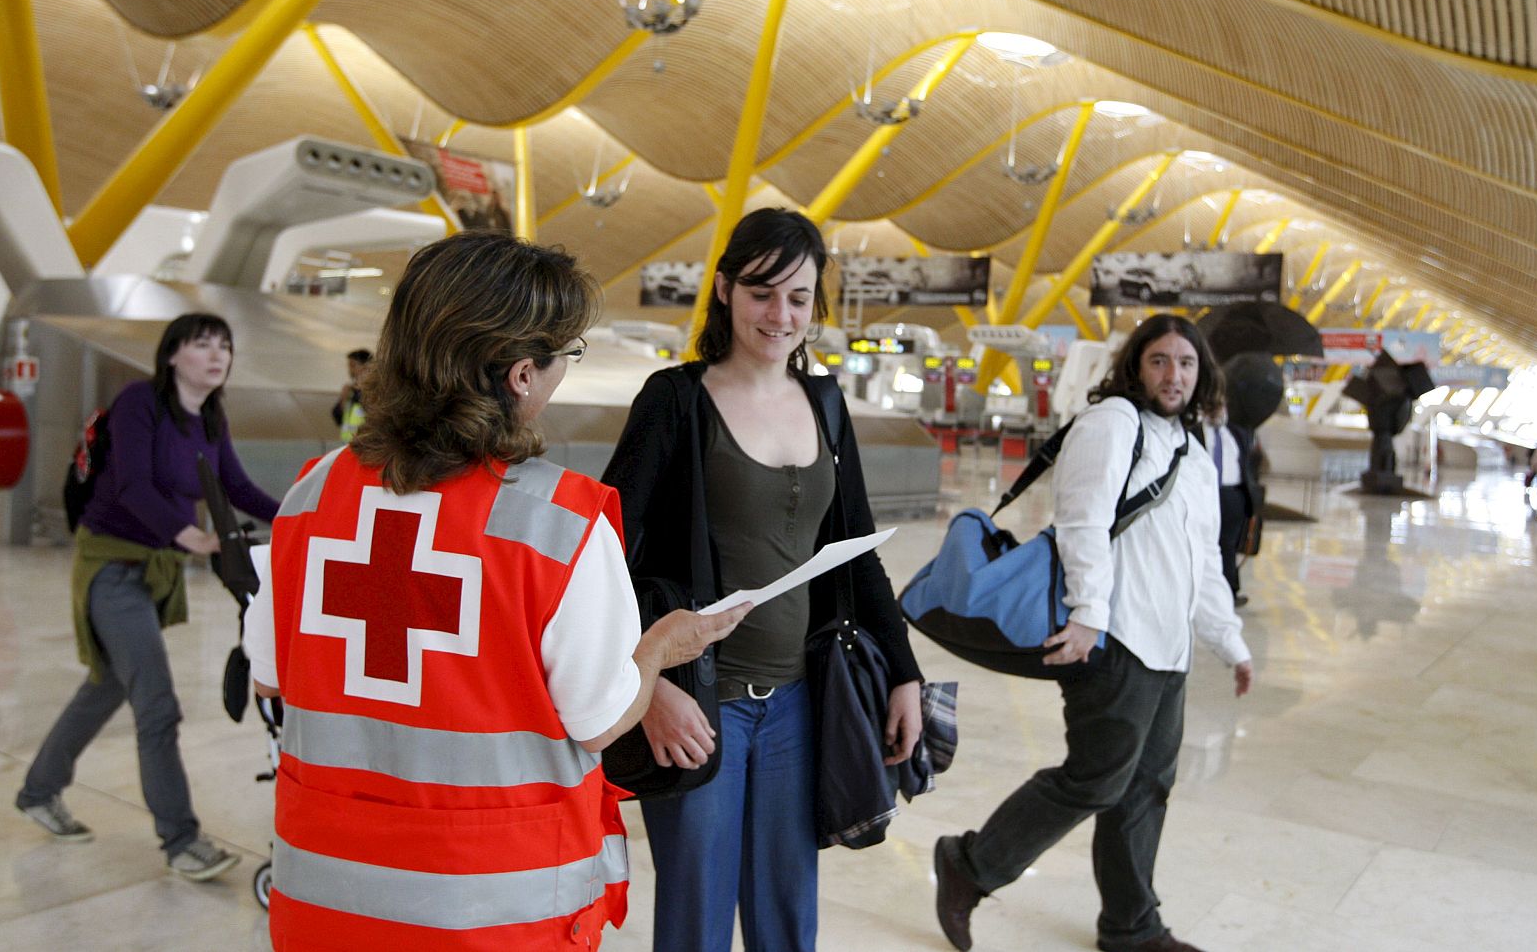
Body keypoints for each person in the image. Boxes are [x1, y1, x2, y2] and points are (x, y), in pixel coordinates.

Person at [247, 231, 747, 950]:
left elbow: (269, 675)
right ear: (520, 374)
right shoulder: (558, 522)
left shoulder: (309, 494)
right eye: (565, 355)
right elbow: (601, 719)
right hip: (496, 915)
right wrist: (662, 645)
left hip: (327, 899)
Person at [603, 207, 924, 952]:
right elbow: (606, 555)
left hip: (797, 703)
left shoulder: (827, 405)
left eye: (799, 297)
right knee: (696, 919)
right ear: (723, 290)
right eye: (761, 292)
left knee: (787, 915)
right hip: (698, 703)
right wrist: (648, 686)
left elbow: (856, 551)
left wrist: (903, 671)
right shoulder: (676, 401)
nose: (780, 314)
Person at [933, 314, 1253, 952]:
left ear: (1201, 374)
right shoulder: (1112, 423)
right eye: (1160, 360)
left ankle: (1131, 926)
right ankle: (970, 865)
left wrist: (1231, 642)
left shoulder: (1194, 450)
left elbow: (1205, 560)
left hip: (1169, 649)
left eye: (1186, 364)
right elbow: (1079, 523)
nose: (1174, 375)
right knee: (1097, 778)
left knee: (1145, 787)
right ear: (1136, 365)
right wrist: (1088, 616)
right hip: (1116, 640)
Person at [16, 313, 279, 881]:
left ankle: (38, 790)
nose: (217, 355)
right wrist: (194, 538)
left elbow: (236, 487)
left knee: (108, 684)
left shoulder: (209, 419)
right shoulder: (141, 403)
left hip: (154, 572)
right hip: (110, 566)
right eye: (202, 344)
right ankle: (181, 840)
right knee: (156, 703)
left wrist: (307, 517)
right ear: (171, 356)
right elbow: (132, 484)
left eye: (225, 346)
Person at [1205, 407, 1262, 607]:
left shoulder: (1237, 433)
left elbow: (1250, 463)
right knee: (1211, 544)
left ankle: (1229, 591)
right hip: (1208, 493)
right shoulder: (1196, 432)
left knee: (1229, 545)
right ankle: (1214, 592)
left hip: (1234, 496)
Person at [330, 347, 371, 443]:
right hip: (348, 444)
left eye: (353, 365)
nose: (350, 370)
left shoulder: (374, 391)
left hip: (365, 445)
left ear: (365, 367)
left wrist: (363, 391)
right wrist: (343, 399)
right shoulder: (350, 391)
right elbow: (338, 418)